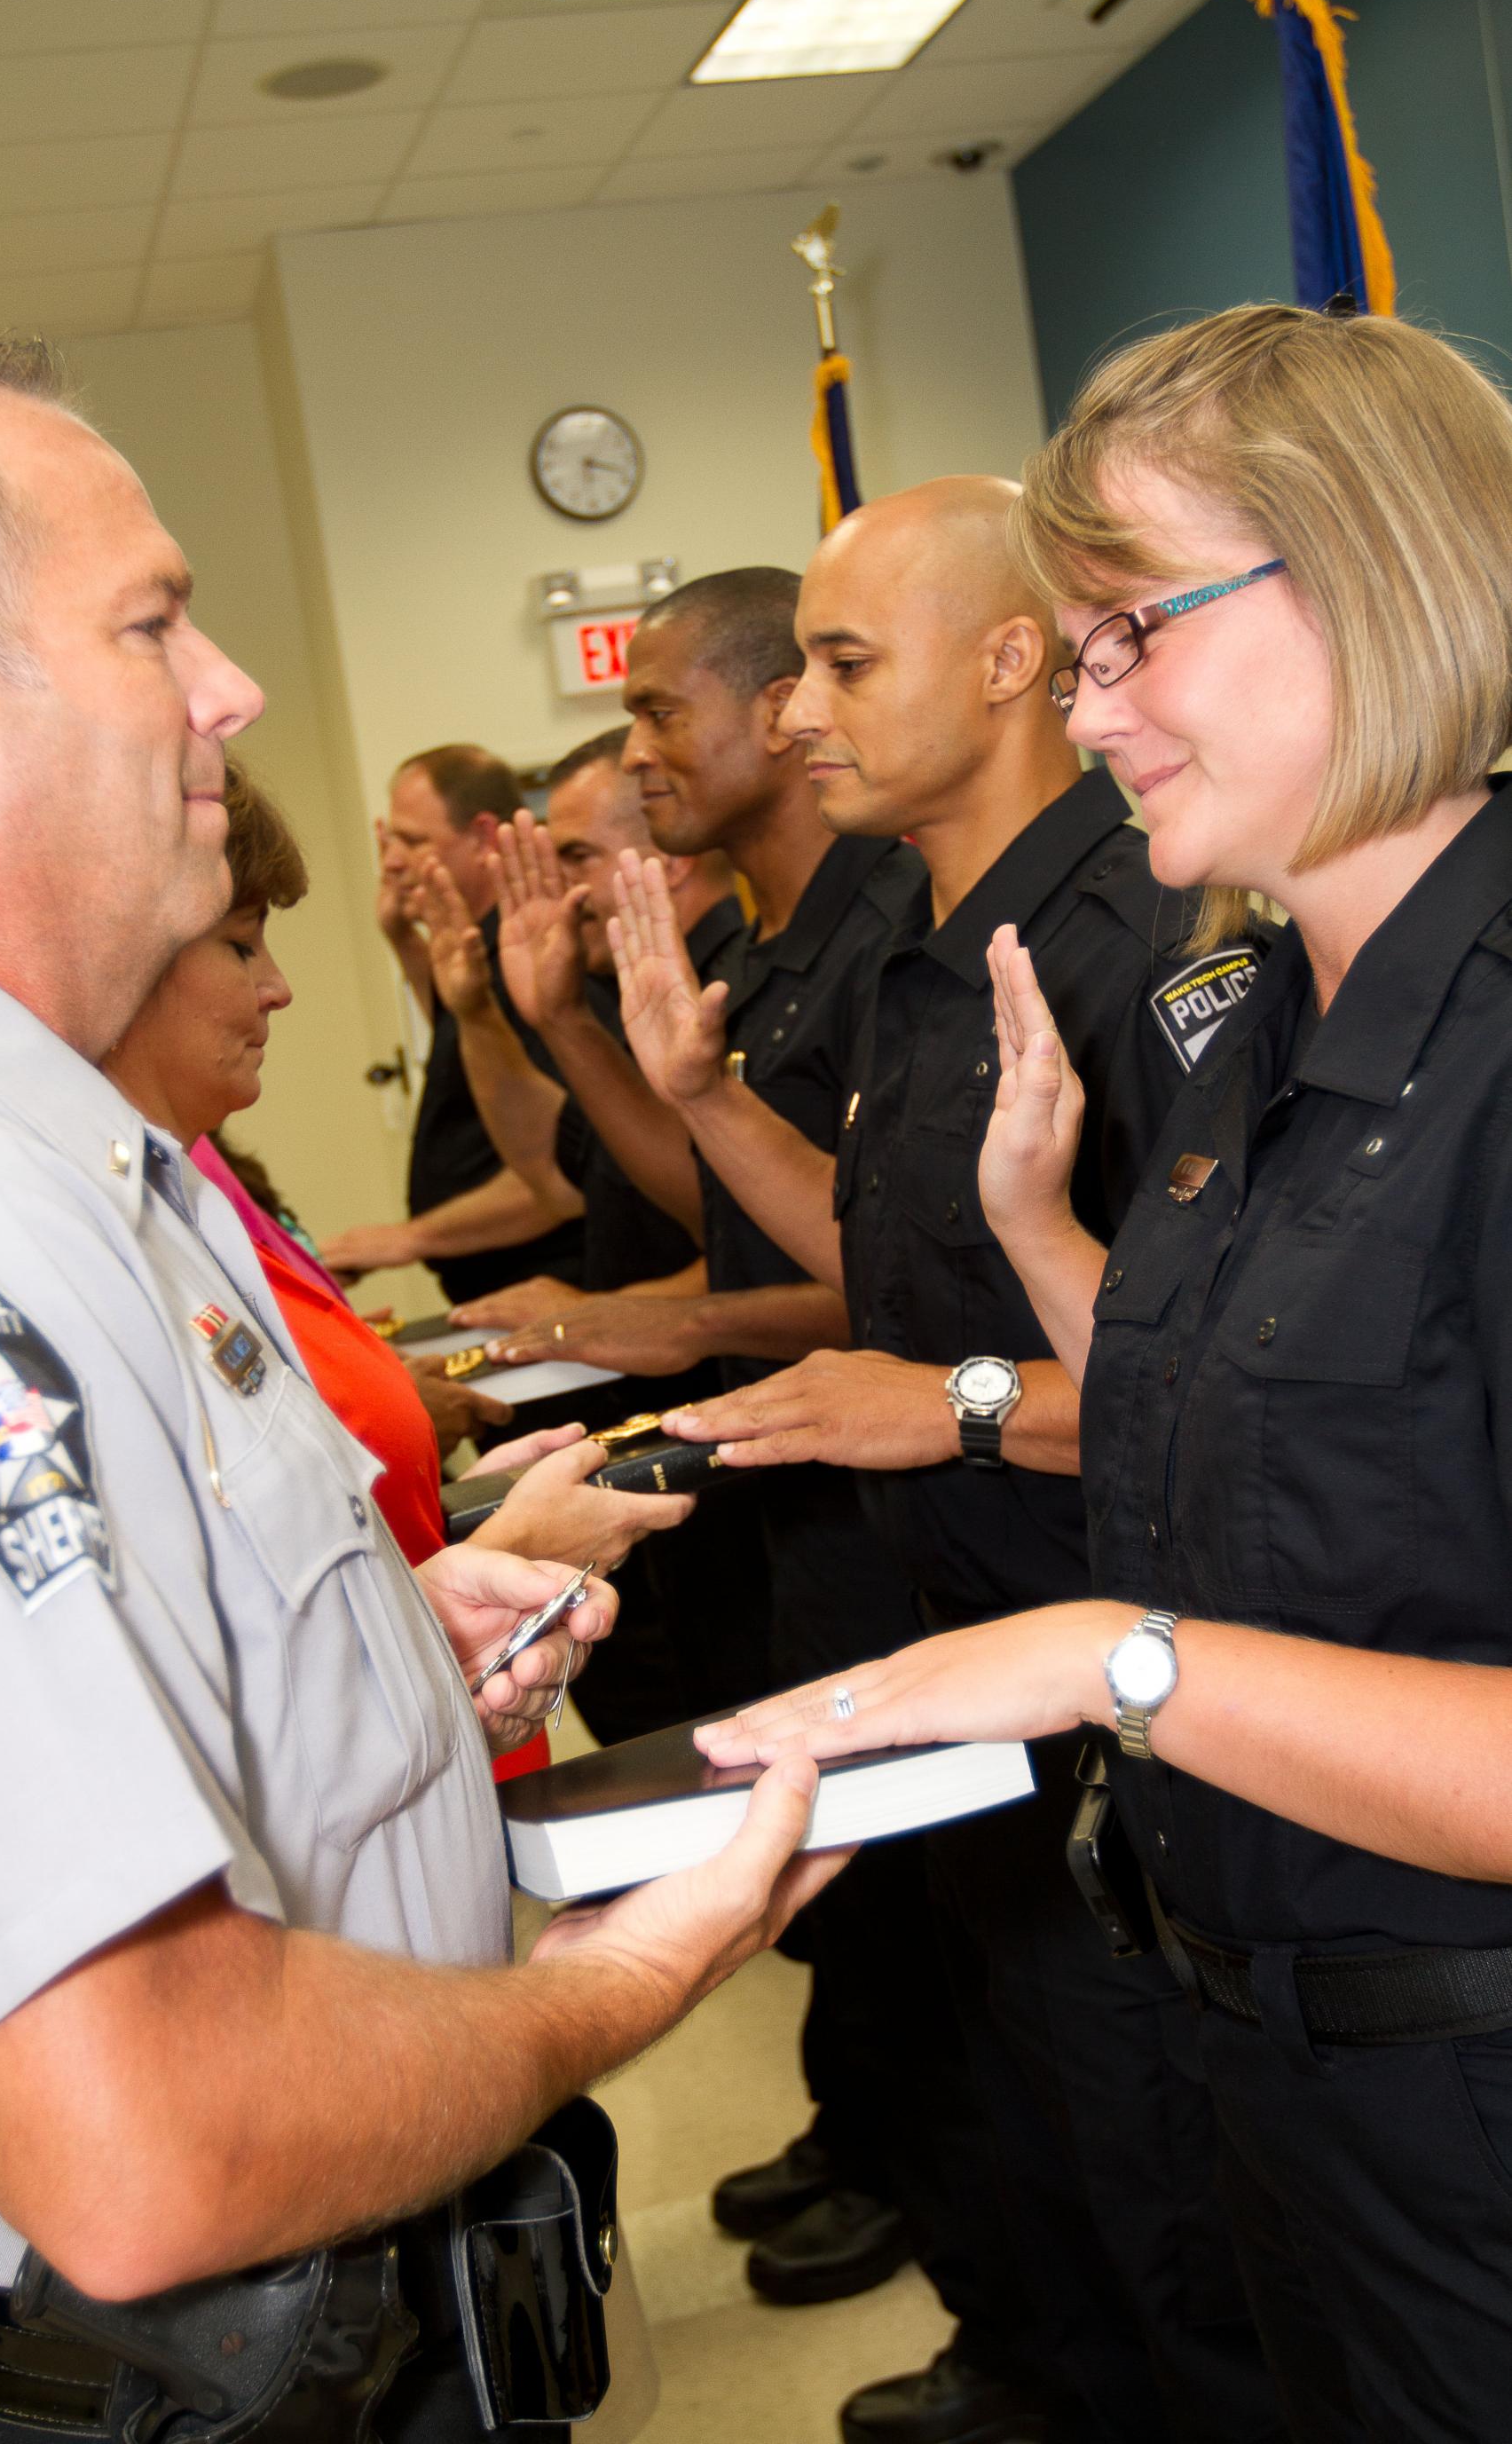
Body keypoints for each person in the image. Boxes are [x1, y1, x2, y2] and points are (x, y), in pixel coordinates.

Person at [0, 330, 842, 2444]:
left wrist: (376, 1668)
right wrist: (618, 1977)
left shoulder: (43, 1146)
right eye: (149, 622)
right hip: (196, 2365)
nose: (230, 689)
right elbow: (146, 2137)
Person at [694, 303, 1512, 2444]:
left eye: (1131, 631)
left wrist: (1112, 1659)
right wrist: (1052, 1236)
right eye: (1072, 650)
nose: (1094, 709)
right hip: (1266, 2066)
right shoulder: (1240, 1005)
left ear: (1369, 577)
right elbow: (1254, 1443)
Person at [610, 480, 1278, 2444]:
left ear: (1008, 662)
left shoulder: (1154, 930)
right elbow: (880, 1256)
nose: (804, 708)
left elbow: (1215, 1375)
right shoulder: (927, 923)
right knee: (1029, 2110)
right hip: (961, 1629)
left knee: (1164, 2178)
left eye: (841, 660)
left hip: (1125, 1677)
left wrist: (954, 1396)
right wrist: (702, 1097)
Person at [480, 576, 973, 2341]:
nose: (640, 753)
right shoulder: (782, 942)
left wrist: (682, 1323)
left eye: (655, 717)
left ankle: (935, 2188)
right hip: (802, 1469)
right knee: (856, 1895)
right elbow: (726, 1208)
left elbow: (837, 1262)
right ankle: (887, 2143)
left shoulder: (889, 917)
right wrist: (591, 1039)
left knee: (930, 1912)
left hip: (911, 1465)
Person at [103, 753, 700, 1780]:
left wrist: (473, 1517)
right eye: (241, 945)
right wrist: (508, 1536)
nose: (279, 987)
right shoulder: (126, 1225)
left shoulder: (191, 1186)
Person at [403, 726, 764, 1738]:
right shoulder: (610, 983)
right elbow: (555, 1166)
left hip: (729, 1447)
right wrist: (492, 1011)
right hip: (639, 1432)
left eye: (577, 859)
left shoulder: (729, 978)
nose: (560, 892)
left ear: (671, 859)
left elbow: (746, 1226)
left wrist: (615, 1311)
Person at [325, 742, 583, 1305]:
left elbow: (569, 1164)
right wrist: (403, 942)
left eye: (414, 841)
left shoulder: (526, 956)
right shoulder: (474, 946)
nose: (392, 861)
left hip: (551, 1282)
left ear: (485, 836)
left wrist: (411, 1239)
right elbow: (464, 1051)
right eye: (390, 840)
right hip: (491, 1289)